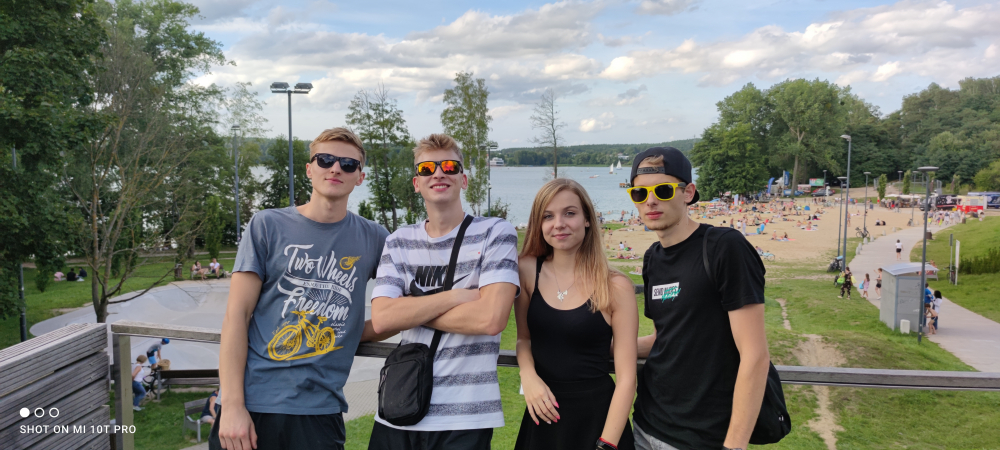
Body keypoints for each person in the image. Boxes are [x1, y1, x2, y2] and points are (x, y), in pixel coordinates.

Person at [213, 127, 391, 450]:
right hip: (253, 405)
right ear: (309, 169)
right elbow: (236, 316)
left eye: (348, 164)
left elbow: (402, 304)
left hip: (320, 412)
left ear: (360, 177)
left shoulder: (375, 238)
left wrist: (351, 331)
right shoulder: (267, 225)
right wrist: (233, 405)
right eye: (325, 160)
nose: (335, 168)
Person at [368, 134, 519, 450]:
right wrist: (453, 297)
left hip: (466, 417)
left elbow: (490, 319)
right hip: (399, 406)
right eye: (427, 168)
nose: (439, 173)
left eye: (449, 166)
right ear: (416, 183)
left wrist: (410, 308)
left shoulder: (495, 233)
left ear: (464, 179)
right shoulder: (398, 241)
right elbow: (382, 319)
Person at [629, 147, 769, 450]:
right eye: (639, 193)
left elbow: (755, 355)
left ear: (688, 193)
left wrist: (734, 445)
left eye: (663, 190)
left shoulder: (724, 247)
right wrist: (603, 346)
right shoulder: (652, 258)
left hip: (702, 437)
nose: (650, 201)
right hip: (645, 426)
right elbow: (664, 337)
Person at [513, 179, 638, 450]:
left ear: (587, 219)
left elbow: (627, 379)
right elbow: (523, 339)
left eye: (569, 213)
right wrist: (528, 376)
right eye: (548, 216)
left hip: (598, 420)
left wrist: (606, 444)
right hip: (543, 415)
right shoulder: (526, 271)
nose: (559, 224)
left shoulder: (615, 286)